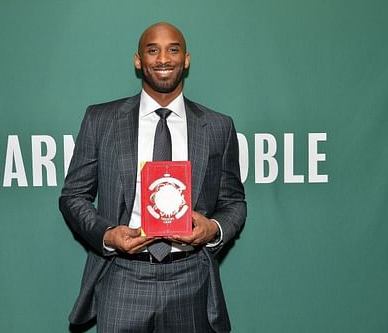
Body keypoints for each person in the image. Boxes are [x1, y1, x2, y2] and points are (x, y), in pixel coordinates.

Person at [59, 22, 247, 333]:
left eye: (173, 50)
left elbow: (234, 203)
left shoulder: (217, 126)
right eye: (153, 50)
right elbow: (73, 196)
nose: (163, 59)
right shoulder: (101, 120)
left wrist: (212, 229)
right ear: (138, 60)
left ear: (186, 59)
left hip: (190, 280)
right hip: (123, 276)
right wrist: (107, 235)